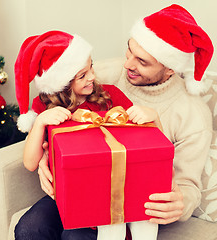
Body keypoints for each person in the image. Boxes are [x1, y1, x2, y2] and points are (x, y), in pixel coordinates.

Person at [36, 3, 214, 238]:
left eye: (142, 61)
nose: (127, 64)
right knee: (31, 228)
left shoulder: (193, 114)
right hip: (81, 185)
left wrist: (180, 204)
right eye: (128, 51)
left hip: (126, 205)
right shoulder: (103, 74)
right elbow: (60, 108)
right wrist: (47, 157)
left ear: (170, 68)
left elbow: (188, 185)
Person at [14, 30, 161, 240]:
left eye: (91, 66)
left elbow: (143, 142)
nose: (92, 76)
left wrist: (150, 117)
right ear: (61, 83)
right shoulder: (43, 106)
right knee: (28, 228)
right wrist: (40, 122)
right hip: (64, 194)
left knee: (75, 236)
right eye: (82, 75)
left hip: (106, 193)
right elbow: (29, 163)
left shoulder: (110, 96)